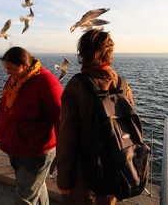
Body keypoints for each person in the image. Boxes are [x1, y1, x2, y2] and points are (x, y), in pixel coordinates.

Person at [56, 29, 135, 205]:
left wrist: (64, 179)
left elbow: (67, 137)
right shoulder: (123, 85)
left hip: (83, 174)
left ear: (83, 53)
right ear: (110, 53)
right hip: (116, 168)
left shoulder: (77, 85)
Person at [0, 46, 63, 205]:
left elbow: (61, 118)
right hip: (16, 147)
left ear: (24, 65)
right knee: (36, 187)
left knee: (25, 197)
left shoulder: (46, 82)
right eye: (6, 68)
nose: (7, 73)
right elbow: (5, 107)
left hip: (36, 152)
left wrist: (64, 155)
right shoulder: (15, 79)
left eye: (10, 68)